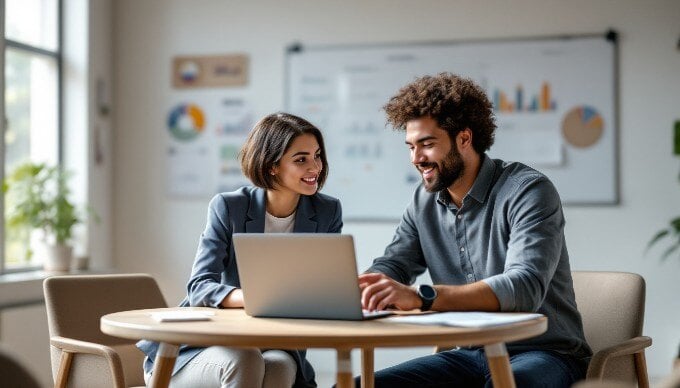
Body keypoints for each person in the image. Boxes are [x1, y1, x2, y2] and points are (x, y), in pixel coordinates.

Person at [358, 73, 592, 387]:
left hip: (544, 352)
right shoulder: (423, 201)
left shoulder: (528, 190)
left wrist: (422, 297)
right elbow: (397, 264)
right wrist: (369, 285)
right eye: (411, 147)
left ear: (464, 139)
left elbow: (523, 287)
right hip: (469, 353)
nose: (416, 159)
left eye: (427, 144)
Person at [138, 112, 342, 388]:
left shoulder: (327, 211)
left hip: (274, 344)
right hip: (199, 350)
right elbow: (199, 287)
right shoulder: (229, 207)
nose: (315, 167)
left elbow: (325, 288)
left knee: (282, 367)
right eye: (301, 159)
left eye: (317, 155)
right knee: (245, 361)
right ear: (272, 166)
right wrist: (257, 297)